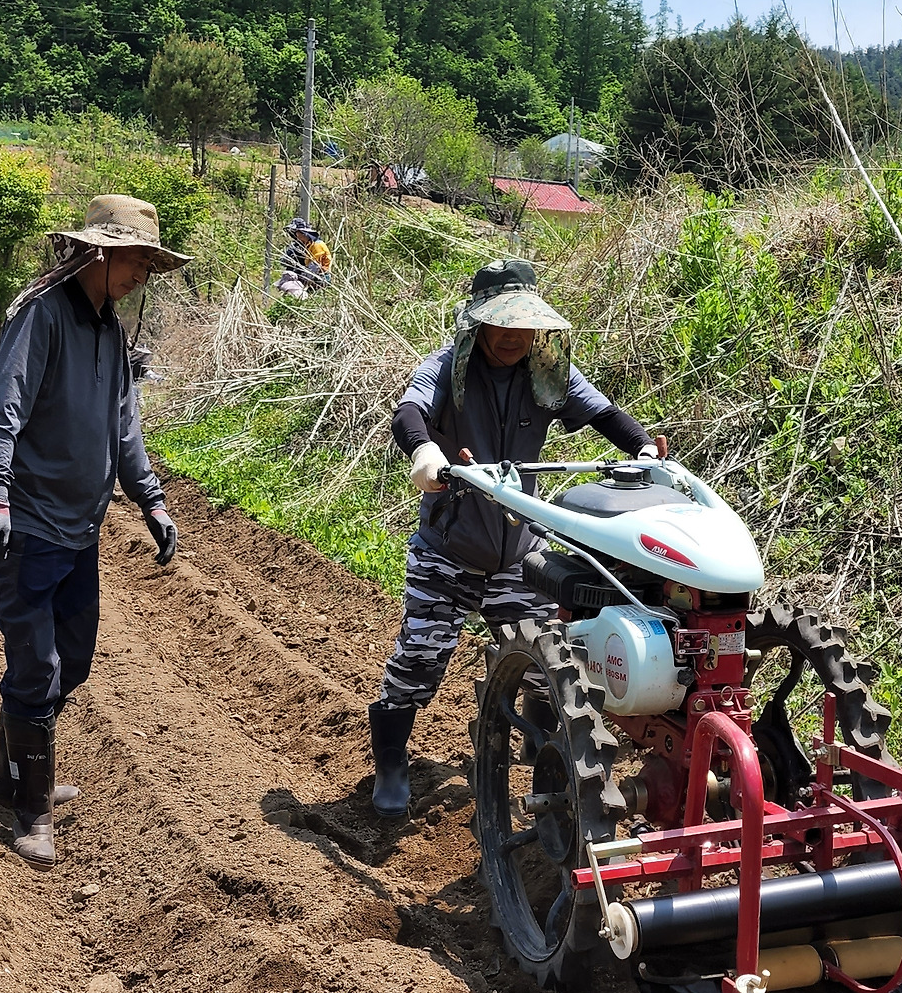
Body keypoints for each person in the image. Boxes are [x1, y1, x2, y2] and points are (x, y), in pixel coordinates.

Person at [370, 257, 661, 816]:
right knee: (421, 659)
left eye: (523, 325)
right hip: (450, 550)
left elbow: (603, 413)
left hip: (516, 550)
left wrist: (643, 446)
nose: (512, 336)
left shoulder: (547, 373)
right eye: (500, 324)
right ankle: (391, 761)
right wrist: (425, 449)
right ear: (477, 323)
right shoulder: (446, 369)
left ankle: (540, 747)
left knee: (542, 657)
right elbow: (409, 411)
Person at [0, 195, 191, 868]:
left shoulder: (110, 331)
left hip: (78, 532)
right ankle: (31, 812)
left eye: (151, 260)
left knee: (75, 661)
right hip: (25, 527)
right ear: (98, 251)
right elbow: (3, 409)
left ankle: (11, 774)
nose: (145, 271)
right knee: (37, 666)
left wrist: (152, 501)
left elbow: (124, 429)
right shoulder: (42, 316)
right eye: (138, 257)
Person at [276, 218, 332, 298]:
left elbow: (314, 267)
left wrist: (303, 283)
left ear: (303, 233)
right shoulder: (306, 246)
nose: (296, 235)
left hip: (320, 278)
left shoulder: (317, 245)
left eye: (297, 233)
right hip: (311, 277)